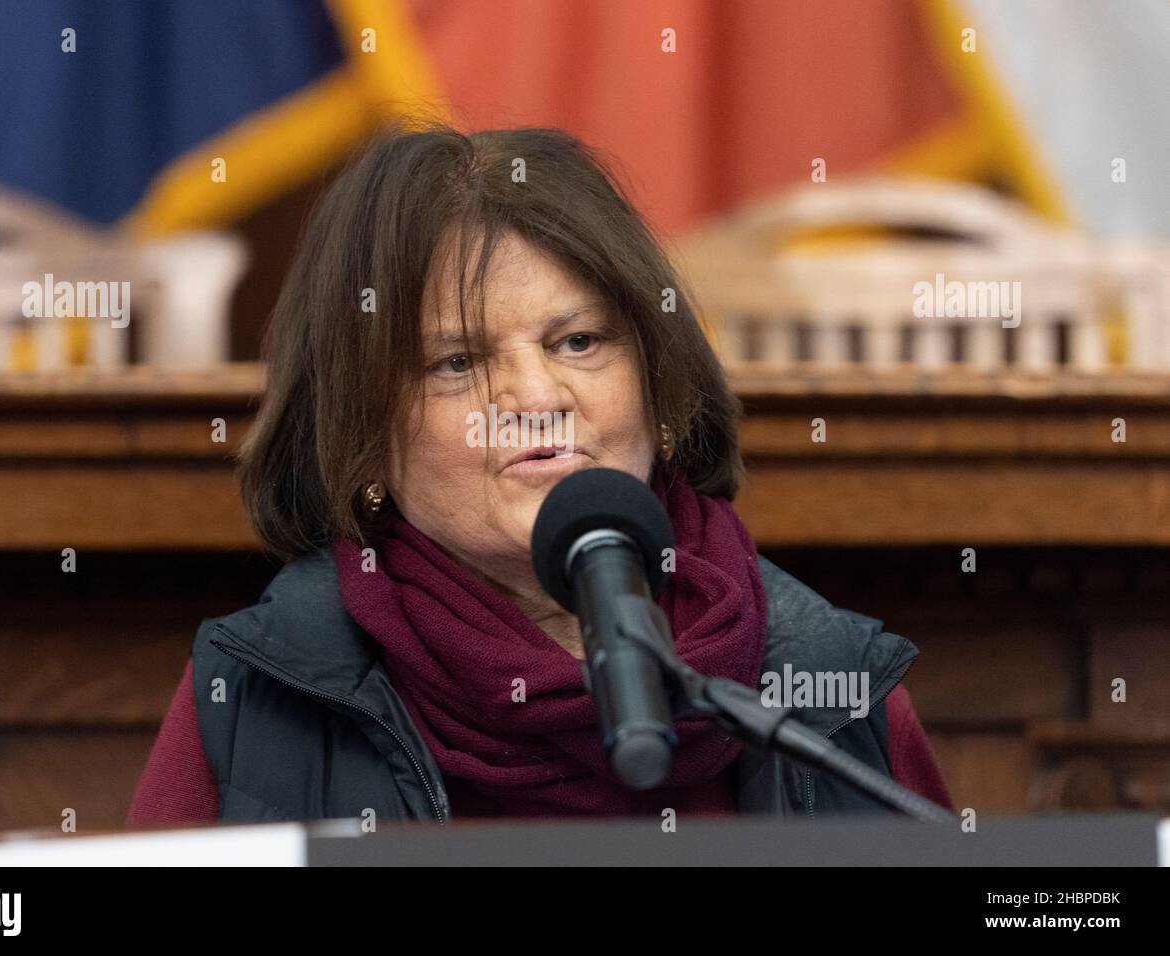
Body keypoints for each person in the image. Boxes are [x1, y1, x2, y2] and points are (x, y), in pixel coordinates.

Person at [128, 123, 952, 825]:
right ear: (364, 441)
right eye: (456, 362)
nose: (535, 397)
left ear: (661, 390)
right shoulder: (255, 695)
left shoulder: (830, 676)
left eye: (578, 343)